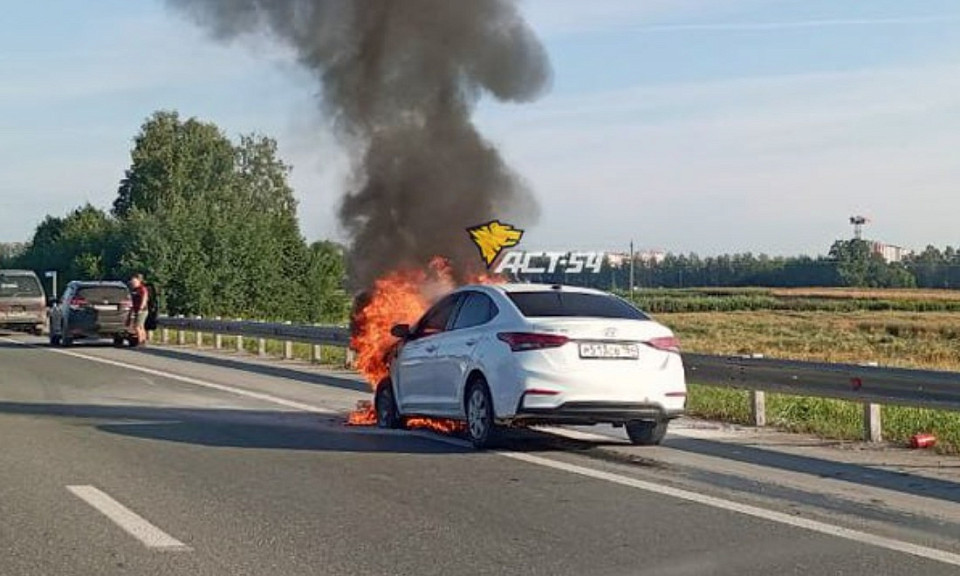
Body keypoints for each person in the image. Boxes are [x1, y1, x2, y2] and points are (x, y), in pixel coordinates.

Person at [127, 273, 150, 347]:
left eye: (134, 281)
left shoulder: (142, 289)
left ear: (139, 281)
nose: (133, 283)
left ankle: (140, 341)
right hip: (137, 310)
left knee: (137, 326)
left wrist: (141, 308)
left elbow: (144, 298)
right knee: (141, 326)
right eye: (132, 282)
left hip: (142, 310)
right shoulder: (134, 289)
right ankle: (143, 340)